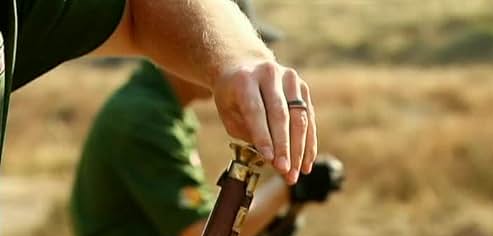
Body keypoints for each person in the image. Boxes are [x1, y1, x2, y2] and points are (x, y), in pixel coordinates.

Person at [0, 0, 317, 187]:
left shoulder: (173, 115)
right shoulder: (143, 116)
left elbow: (135, 9)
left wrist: (241, 60)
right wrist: (284, 194)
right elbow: (192, 230)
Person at [69, 59, 333, 236]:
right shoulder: (143, 118)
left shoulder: (167, 112)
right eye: (226, 52)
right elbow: (198, 234)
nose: (241, 72)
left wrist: (258, 230)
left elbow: (197, 217)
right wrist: (289, 190)